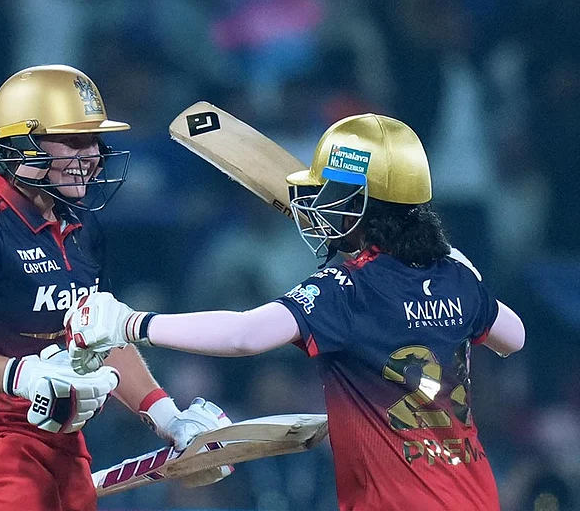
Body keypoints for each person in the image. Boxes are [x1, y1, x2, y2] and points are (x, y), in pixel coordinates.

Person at [66, 113, 526, 510]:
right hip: (475, 495)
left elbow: (244, 334)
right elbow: (514, 337)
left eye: (333, 197)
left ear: (360, 207)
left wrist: (132, 323)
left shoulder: (347, 287)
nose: (322, 209)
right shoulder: (456, 278)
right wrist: (458, 264)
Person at [0, 64, 230, 511]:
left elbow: (99, 335)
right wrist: (23, 375)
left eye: (94, 141)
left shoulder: (82, 227)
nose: (94, 155)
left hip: (61, 445)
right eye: (75, 141)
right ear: (21, 147)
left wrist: (167, 417)